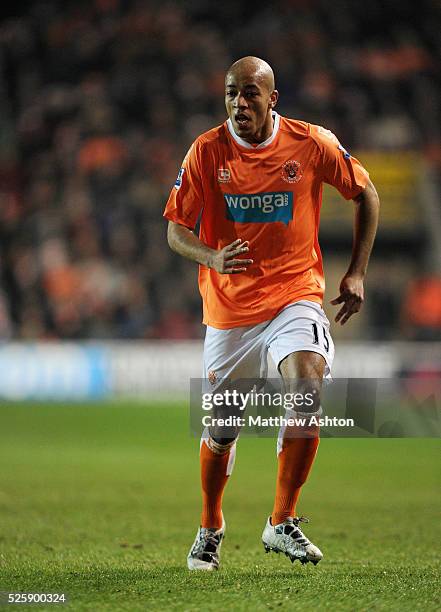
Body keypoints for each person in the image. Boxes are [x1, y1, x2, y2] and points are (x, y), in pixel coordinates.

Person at [164, 56, 379, 570]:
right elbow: (175, 230)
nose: (239, 103)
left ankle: (282, 521)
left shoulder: (311, 144)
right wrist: (212, 256)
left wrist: (356, 273)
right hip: (230, 308)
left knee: (307, 385)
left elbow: (365, 192)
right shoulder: (206, 151)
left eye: (250, 94)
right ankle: (210, 525)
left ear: (271, 99)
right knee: (222, 427)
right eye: (232, 93)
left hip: (294, 295)